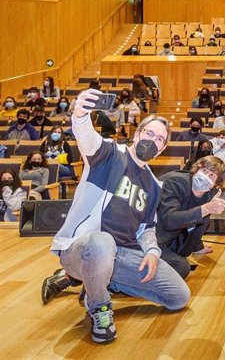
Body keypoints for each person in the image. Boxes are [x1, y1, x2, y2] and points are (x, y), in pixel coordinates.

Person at [44, 90, 189, 343]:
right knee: (102, 242)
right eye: (149, 133)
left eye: (159, 139)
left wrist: (153, 252)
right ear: (137, 133)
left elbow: (147, 228)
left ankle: (96, 283)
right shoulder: (110, 154)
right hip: (83, 249)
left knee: (179, 297)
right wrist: (80, 114)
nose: (152, 140)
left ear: (163, 148)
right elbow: (87, 139)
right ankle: (100, 307)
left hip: (124, 254)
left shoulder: (155, 185)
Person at [156, 157, 225, 279]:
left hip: (170, 239)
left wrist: (197, 247)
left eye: (212, 176)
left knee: (181, 265)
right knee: (181, 268)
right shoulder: (175, 182)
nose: (206, 177)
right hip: (149, 237)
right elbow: (169, 220)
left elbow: (197, 225)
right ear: (196, 169)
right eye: (204, 171)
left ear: (215, 184)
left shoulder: (209, 195)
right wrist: (206, 209)